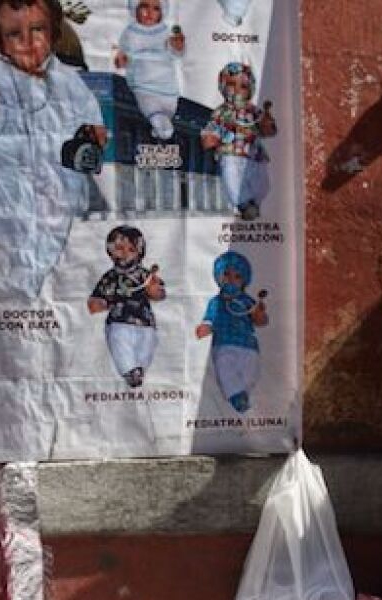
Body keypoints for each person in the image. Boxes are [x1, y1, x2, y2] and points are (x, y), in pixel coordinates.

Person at [0, 0, 108, 298]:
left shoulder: (68, 79)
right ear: (0, 41)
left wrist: (94, 133)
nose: (27, 41)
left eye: (37, 29)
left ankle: (38, 287)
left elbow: (93, 119)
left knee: (56, 254)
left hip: (57, 189)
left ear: (54, 34)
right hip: (3, 192)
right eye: (14, 34)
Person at [87, 225, 166, 388]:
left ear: (139, 252)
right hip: (119, 321)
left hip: (145, 321)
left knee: (147, 344)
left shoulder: (145, 275)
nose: (124, 253)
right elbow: (95, 300)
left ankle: (140, 369)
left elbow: (160, 294)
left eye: (131, 249)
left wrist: (154, 291)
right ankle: (129, 370)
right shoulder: (110, 277)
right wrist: (100, 303)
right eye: (119, 248)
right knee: (119, 342)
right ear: (110, 251)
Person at [201, 62, 277, 220]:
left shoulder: (254, 111)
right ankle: (243, 204)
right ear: (223, 86)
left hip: (254, 154)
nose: (236, 90)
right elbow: (213, 127)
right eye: (231, 85)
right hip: (231, 152)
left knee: (262, 182)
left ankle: (255, 202)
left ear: (250, 88)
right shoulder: (222, 111)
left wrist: (267, 123)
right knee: (232, 177)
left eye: (242, 86)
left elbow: (267, 130)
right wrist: (212, 136)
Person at [196, 251, 268, 413]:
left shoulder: (248, 301)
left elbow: (260, 321)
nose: (231, 279)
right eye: (226, 274)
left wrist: (259, 314)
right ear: (218, 276)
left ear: (244, 280)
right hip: (224, 343)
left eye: (237, 276)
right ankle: (236, 395)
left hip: (248, 345)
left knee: (251, 372)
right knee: (224, 365)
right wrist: (206, 327)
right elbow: (210, 318)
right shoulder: (216, 301)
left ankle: (242, 393)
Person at [114, 0, 184, 141]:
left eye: (156, 8)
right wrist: (122, 60)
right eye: (144, 7)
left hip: (166, 84)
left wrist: (177, 48)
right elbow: (122, 57)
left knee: (169, 110)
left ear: (162, 12)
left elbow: (175, 55)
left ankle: (159, 127)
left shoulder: (165, 31)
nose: (149, 12)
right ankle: (158, 123)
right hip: (144, 85)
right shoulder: (130, 33)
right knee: (149, 107)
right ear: (135, 9)